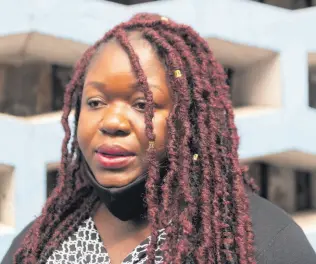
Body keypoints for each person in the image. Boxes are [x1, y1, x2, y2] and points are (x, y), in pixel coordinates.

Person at [1, 13, 316, 264]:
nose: (111, 122)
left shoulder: (263, 244)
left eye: (144, 105)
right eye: (95, 103)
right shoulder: (40, 243)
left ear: (188, 119)